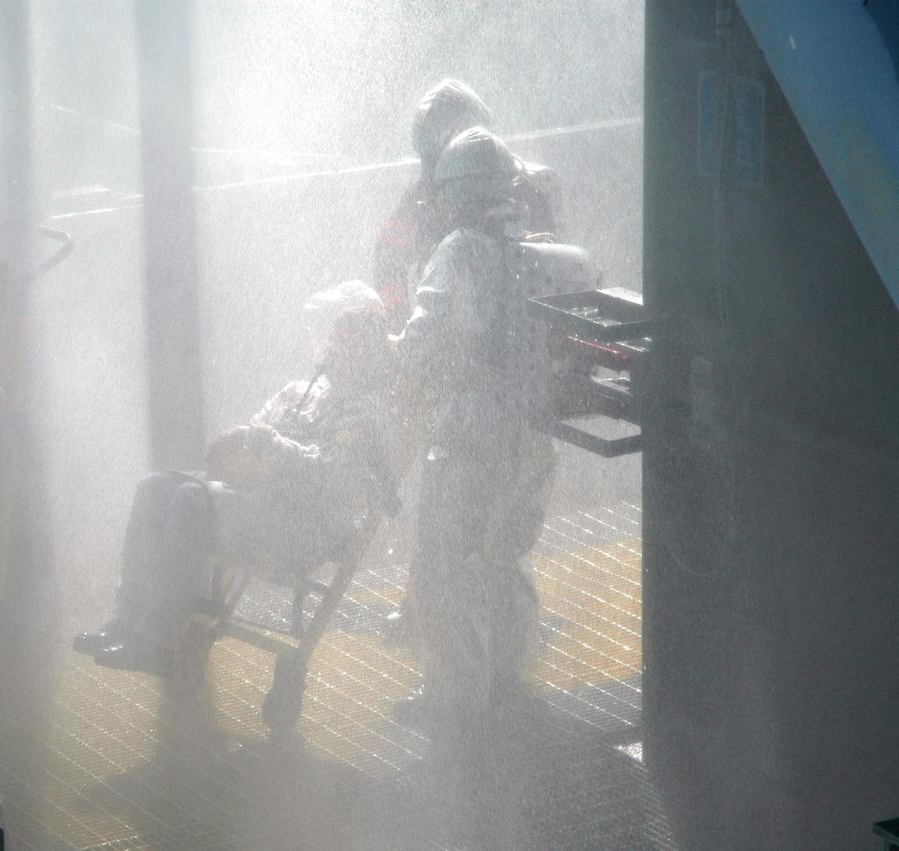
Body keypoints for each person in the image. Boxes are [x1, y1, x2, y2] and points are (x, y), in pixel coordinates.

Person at [395, 126, 597, 845]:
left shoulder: (456, 253)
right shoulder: (548, 257)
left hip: (472, 440)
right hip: (532, 442)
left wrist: (391, 356)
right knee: (505, 557)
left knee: (448, 568)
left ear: (455, 196)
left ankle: (460, 710)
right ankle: (512, 677)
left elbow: (423, 342)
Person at [73, 282, 401, 675]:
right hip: (261, 500)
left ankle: (157, 639)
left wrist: (264, 443)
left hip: (302, 525)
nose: (332, 344)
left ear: (366, 352)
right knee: (155, 487)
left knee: (191, 502)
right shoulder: (305, 390)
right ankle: (127, 621)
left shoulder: (366, 414)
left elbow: (326, 474)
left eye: (345, 338)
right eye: (335, 333)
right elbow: (256, 429)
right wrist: (240, 449)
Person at [373, 78, 562, 333]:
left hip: (519, 332)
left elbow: (554, 273)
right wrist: (399, 326)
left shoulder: (530, 190)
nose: (430, 177)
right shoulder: (421, 198)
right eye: (428, 160)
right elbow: (387, 257)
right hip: (456, 335)